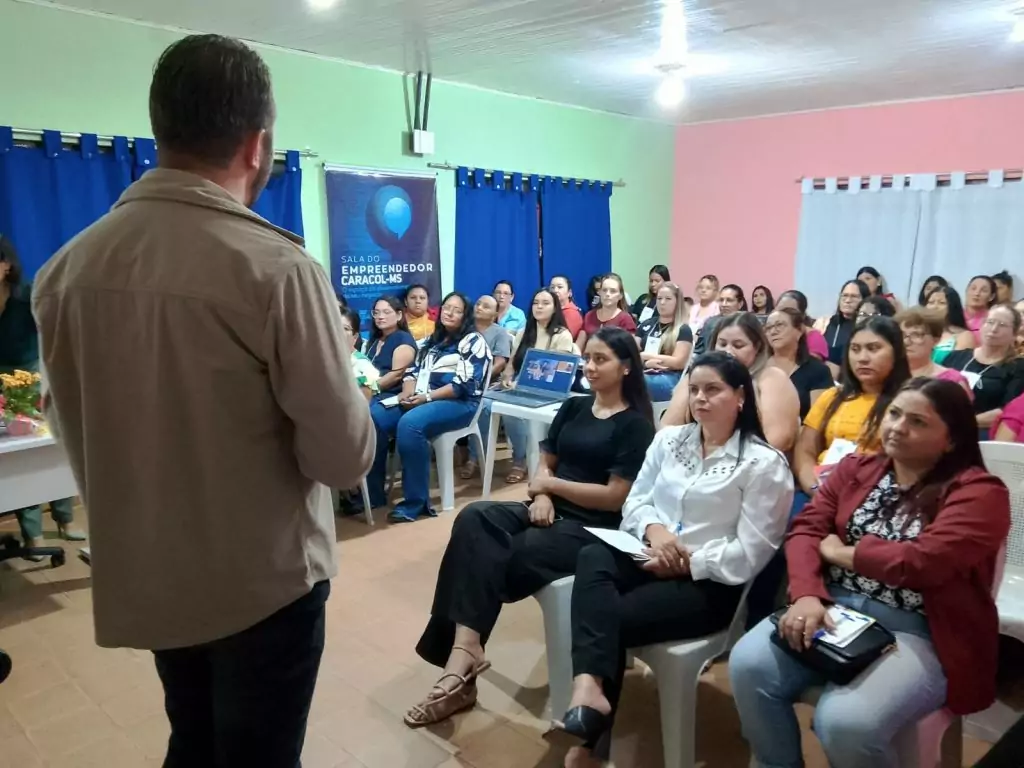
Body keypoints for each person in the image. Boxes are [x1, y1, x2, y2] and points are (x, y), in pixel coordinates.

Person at [32, 35, 376, 767]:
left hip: (152, 570)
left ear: (160, 131)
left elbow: (71, 423)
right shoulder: (277, 269)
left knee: (192, 738)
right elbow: (343, 458)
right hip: (263, 584)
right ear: (257, 145)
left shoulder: (65, 271)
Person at [730, 378, 1010, 768]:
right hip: (834, 607)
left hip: (921, 629)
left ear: (951, 440)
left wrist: (843, 553)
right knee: (748, 665)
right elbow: (807, 529)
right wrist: (807, 593)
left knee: (844, 721)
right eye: (894, 414)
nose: (897, 427)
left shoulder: (980, 493)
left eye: (917, 421)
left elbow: (923, 563)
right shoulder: (857, 469)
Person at [403, 327, 655, 728]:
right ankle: (467, 647)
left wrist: (550, 488)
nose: (590, 367)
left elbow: (613, 497)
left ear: (626, 367)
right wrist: (541, 495)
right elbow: (546, 461)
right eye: (587, 358)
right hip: (546, 506)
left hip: (592, 526)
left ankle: (459, 669)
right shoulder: (575, 407)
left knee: (499, 555)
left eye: (601, 359)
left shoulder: (635, 426)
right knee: (474, 519)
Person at [553, 352, 793, 767]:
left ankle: (591, 737)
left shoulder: (762, 464)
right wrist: (655, 531)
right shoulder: (670, 441)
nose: (700, 398)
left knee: (606, 614)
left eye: (713, 389)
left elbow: (752, 552)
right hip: (649, 553)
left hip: (710, 584)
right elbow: (636, 501)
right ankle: (589, 688)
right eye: (694, 389)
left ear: (740, 397)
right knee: (593, 555)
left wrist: (688, 561)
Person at [366, 292, 489, 522]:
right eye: (447, 307)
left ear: (465, 316)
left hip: (459, 403)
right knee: (374, 418)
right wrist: (407, 392)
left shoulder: (473, 341)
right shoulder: (434, 340)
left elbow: (462, 385)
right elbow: (412, 371)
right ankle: (373, 494)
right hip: (423, 396)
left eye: (457, 310)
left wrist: (426, 397)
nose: (450, 313)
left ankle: (416, 502)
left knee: (410, 424)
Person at [0, 237, 83, 555]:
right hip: (2, 387)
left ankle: (65, 519)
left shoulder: (28, 295)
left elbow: (58, 329)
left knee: (51, 450)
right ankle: (32, 532)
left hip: (33, 379)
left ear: (6, 265)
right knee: (17, 460)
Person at [793, 316, 911, 504]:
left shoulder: (910, 401)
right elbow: (805, 450)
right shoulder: (832, 396)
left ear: (897, 353)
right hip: (821, 492)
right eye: (855, 349)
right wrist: (814, 488)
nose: (862, 358)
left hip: (878, 497)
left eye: (873, 348)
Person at [464, 288, 575, 483]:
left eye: (545, 303)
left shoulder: (562, 334)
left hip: (548, 392)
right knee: (483, 403)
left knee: (510, 412)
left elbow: (557, 372)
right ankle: (477, 454)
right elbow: (512, 364)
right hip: (519, 387)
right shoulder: (525, 332)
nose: (539, 307)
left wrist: (520, 382)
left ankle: (520, 459)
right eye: (536, 303)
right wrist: (507, 377)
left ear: (554, 308)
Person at [664, 313, 800, 452]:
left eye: (738, 345)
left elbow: (778, 440)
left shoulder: (772, 378)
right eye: (722, 344)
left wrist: (723, 459)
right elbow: (667, 430)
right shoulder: (696, 377)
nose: (728, 351)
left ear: (757, 347)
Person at [943, 304, 1024, 437]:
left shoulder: (1017, 367)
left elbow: (1007, 411)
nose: (994, 329)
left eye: (1002, 325)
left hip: (982, 432)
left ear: (1014, 334)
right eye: (990, 322)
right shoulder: (955, 357)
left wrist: (964, 423)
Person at [765, 307, 835, 420]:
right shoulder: (759, 367)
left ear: (799, 330)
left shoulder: (818, 370)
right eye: (768, 328)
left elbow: (818, 420)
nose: (773, 332)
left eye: (780, 325)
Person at [635, 282, 693, 402]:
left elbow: (678, 362)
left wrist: (646, 356)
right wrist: (646, 364)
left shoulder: (683, 329)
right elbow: (633, 354)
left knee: (637, 382)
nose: (662, 302)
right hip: (644, 371)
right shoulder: (646, 324)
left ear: (677, 302)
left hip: (669, 376)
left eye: (668, 299)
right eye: (659, 298)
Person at [894, 307, 971, 394]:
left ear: (936, 340)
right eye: (902, 335)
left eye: (916, 335)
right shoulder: (887, 375)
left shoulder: (951, 380)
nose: (906, 342)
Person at [813, 279, 871, 378]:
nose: (847, 301)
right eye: (844, 296)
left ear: (864, 300)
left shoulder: (867, 327)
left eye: (854, 297)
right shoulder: (825, 323)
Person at [365, 295, 418, 397]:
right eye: (376, 313)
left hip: (390, 394)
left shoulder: (403, 339)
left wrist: (368, 390)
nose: (380, 316)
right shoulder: (375, 339)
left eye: (386, 312)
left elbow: (395, 376)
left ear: (399, 315)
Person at [577, 273, 637, 352]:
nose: (607, 294)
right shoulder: (589, 315)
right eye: (604, 290)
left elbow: (630, 350)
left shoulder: (625, 319)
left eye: (613, 291)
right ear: (599, 293)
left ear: (620, 296)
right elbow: (579, 345)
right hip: (588, 358)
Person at [924, 285, 975, 363]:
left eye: (942, 303)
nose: (934, 307)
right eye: (931, 302)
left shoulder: (963, 336)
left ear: (953, 307)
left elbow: (959, 365)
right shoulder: (918, 331)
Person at [692, 283, 746, 356]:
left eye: (729, 300)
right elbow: (698, 351)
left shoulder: (747, 324)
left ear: (740, 304)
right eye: (721, 300)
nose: (724, 304)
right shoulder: (710, 322)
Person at [776, 290, 829, 362]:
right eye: (780, 310)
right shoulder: (769, 334)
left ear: (802, 315)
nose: (783, 315)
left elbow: (811, 367)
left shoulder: (814, 337)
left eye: (790, 311)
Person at [340, 306, 380, 400]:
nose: (339, 332)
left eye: (345, 328)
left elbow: (363, 404)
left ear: (355, 336)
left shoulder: (362, 365)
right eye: (334, 327)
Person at [472, 295, 513, 380]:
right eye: (478, 304)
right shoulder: (465, 327)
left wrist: (482, 379)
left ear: (495, 314)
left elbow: (500, 363)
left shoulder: (500, 332)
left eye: (486, 307)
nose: (479, 308)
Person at [549, 274, 584, 341]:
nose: (555, 290)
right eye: (552, 287)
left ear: (569, 293)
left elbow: (565, 340)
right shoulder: (551, 310)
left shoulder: (572, 313)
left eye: (560, 287)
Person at [964, 274, 998, 343]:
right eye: (973, 288)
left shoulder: (994, 319)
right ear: (966, 291)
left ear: (991, 296)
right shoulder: (954, 315)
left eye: (984, 290)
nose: (977, 293)